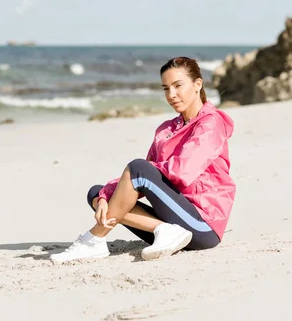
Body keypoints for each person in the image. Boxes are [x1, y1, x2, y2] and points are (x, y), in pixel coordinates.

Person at [50, 57, 236, 263]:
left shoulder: (211, 123)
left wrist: (141, 173)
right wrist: (106, 193)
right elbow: (142, 178)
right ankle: (162, 229)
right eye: (165, 88)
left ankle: (93, 239)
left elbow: (180, 172)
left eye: (178, 86)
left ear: (197, 84)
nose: (171, 95)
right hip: (172, 225)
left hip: (203, 226)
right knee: (97, 193)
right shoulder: (166, 129)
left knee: (138, 169)